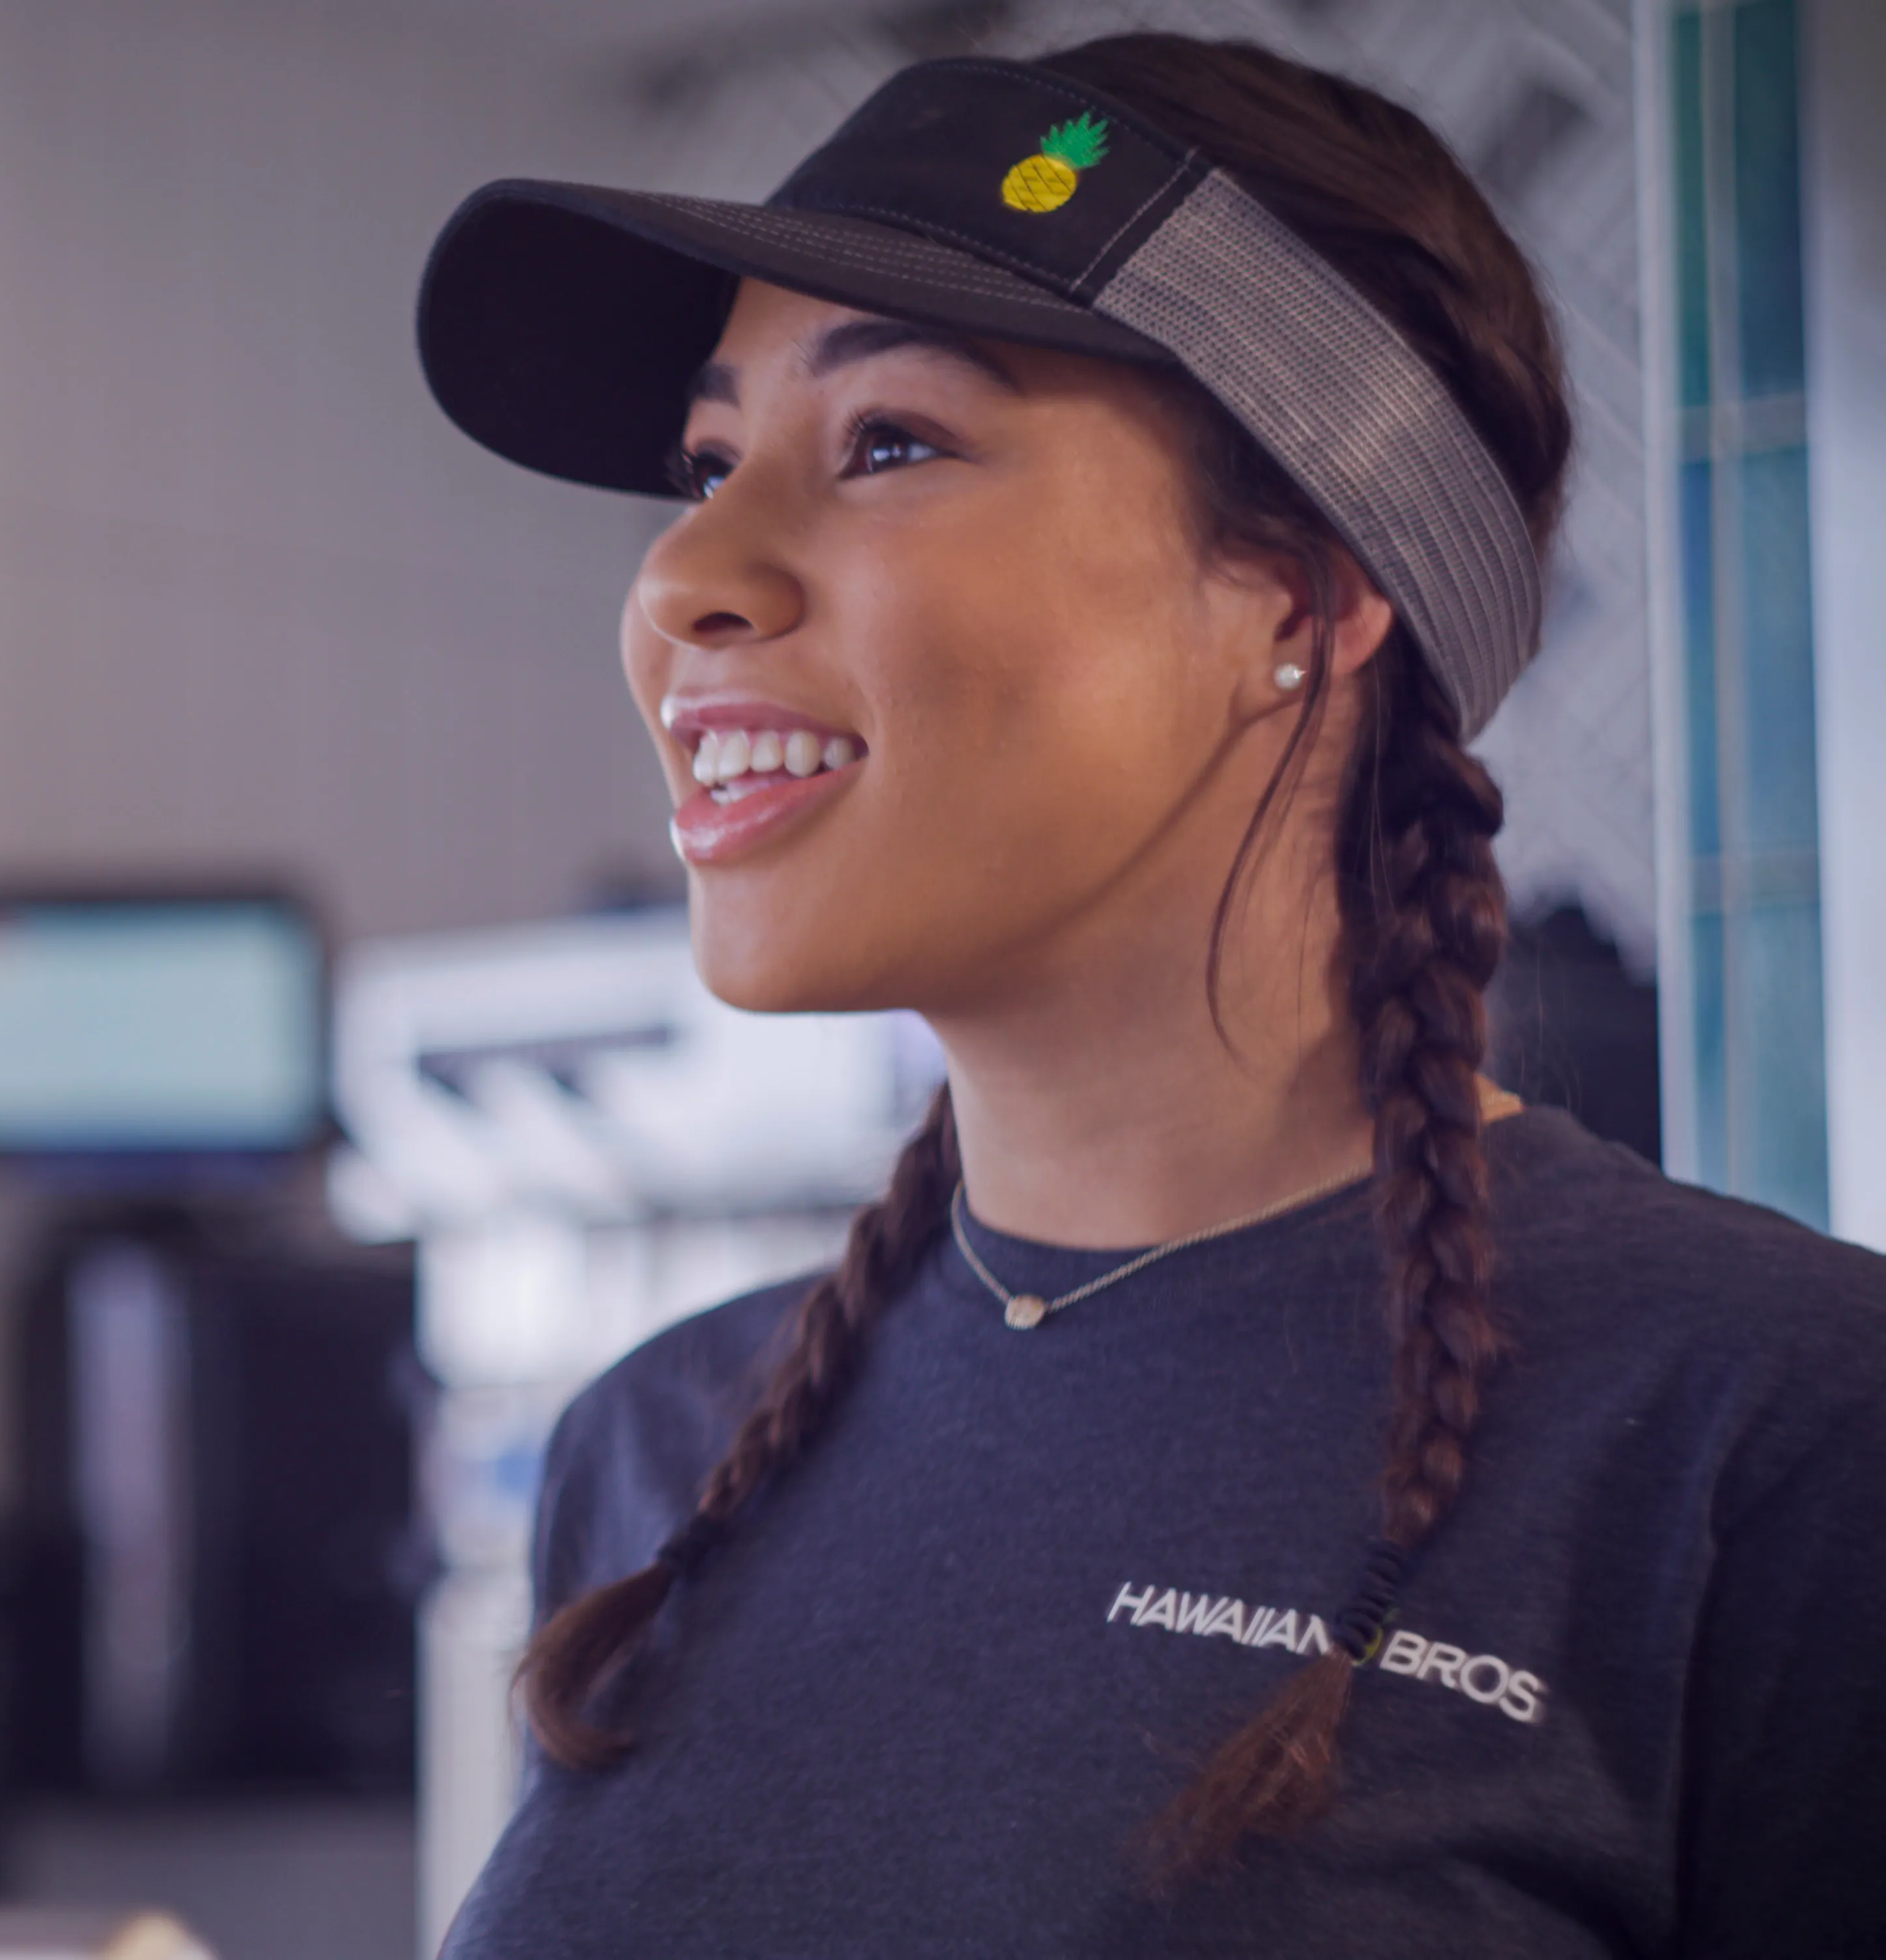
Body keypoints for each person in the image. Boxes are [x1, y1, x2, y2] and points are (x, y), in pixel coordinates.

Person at [409, 33, 1886, 1955]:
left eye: (891, 444)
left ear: (1298, 598)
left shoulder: (1774, 1436)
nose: (689, 569)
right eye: (707, 465)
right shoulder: (663, 1450)